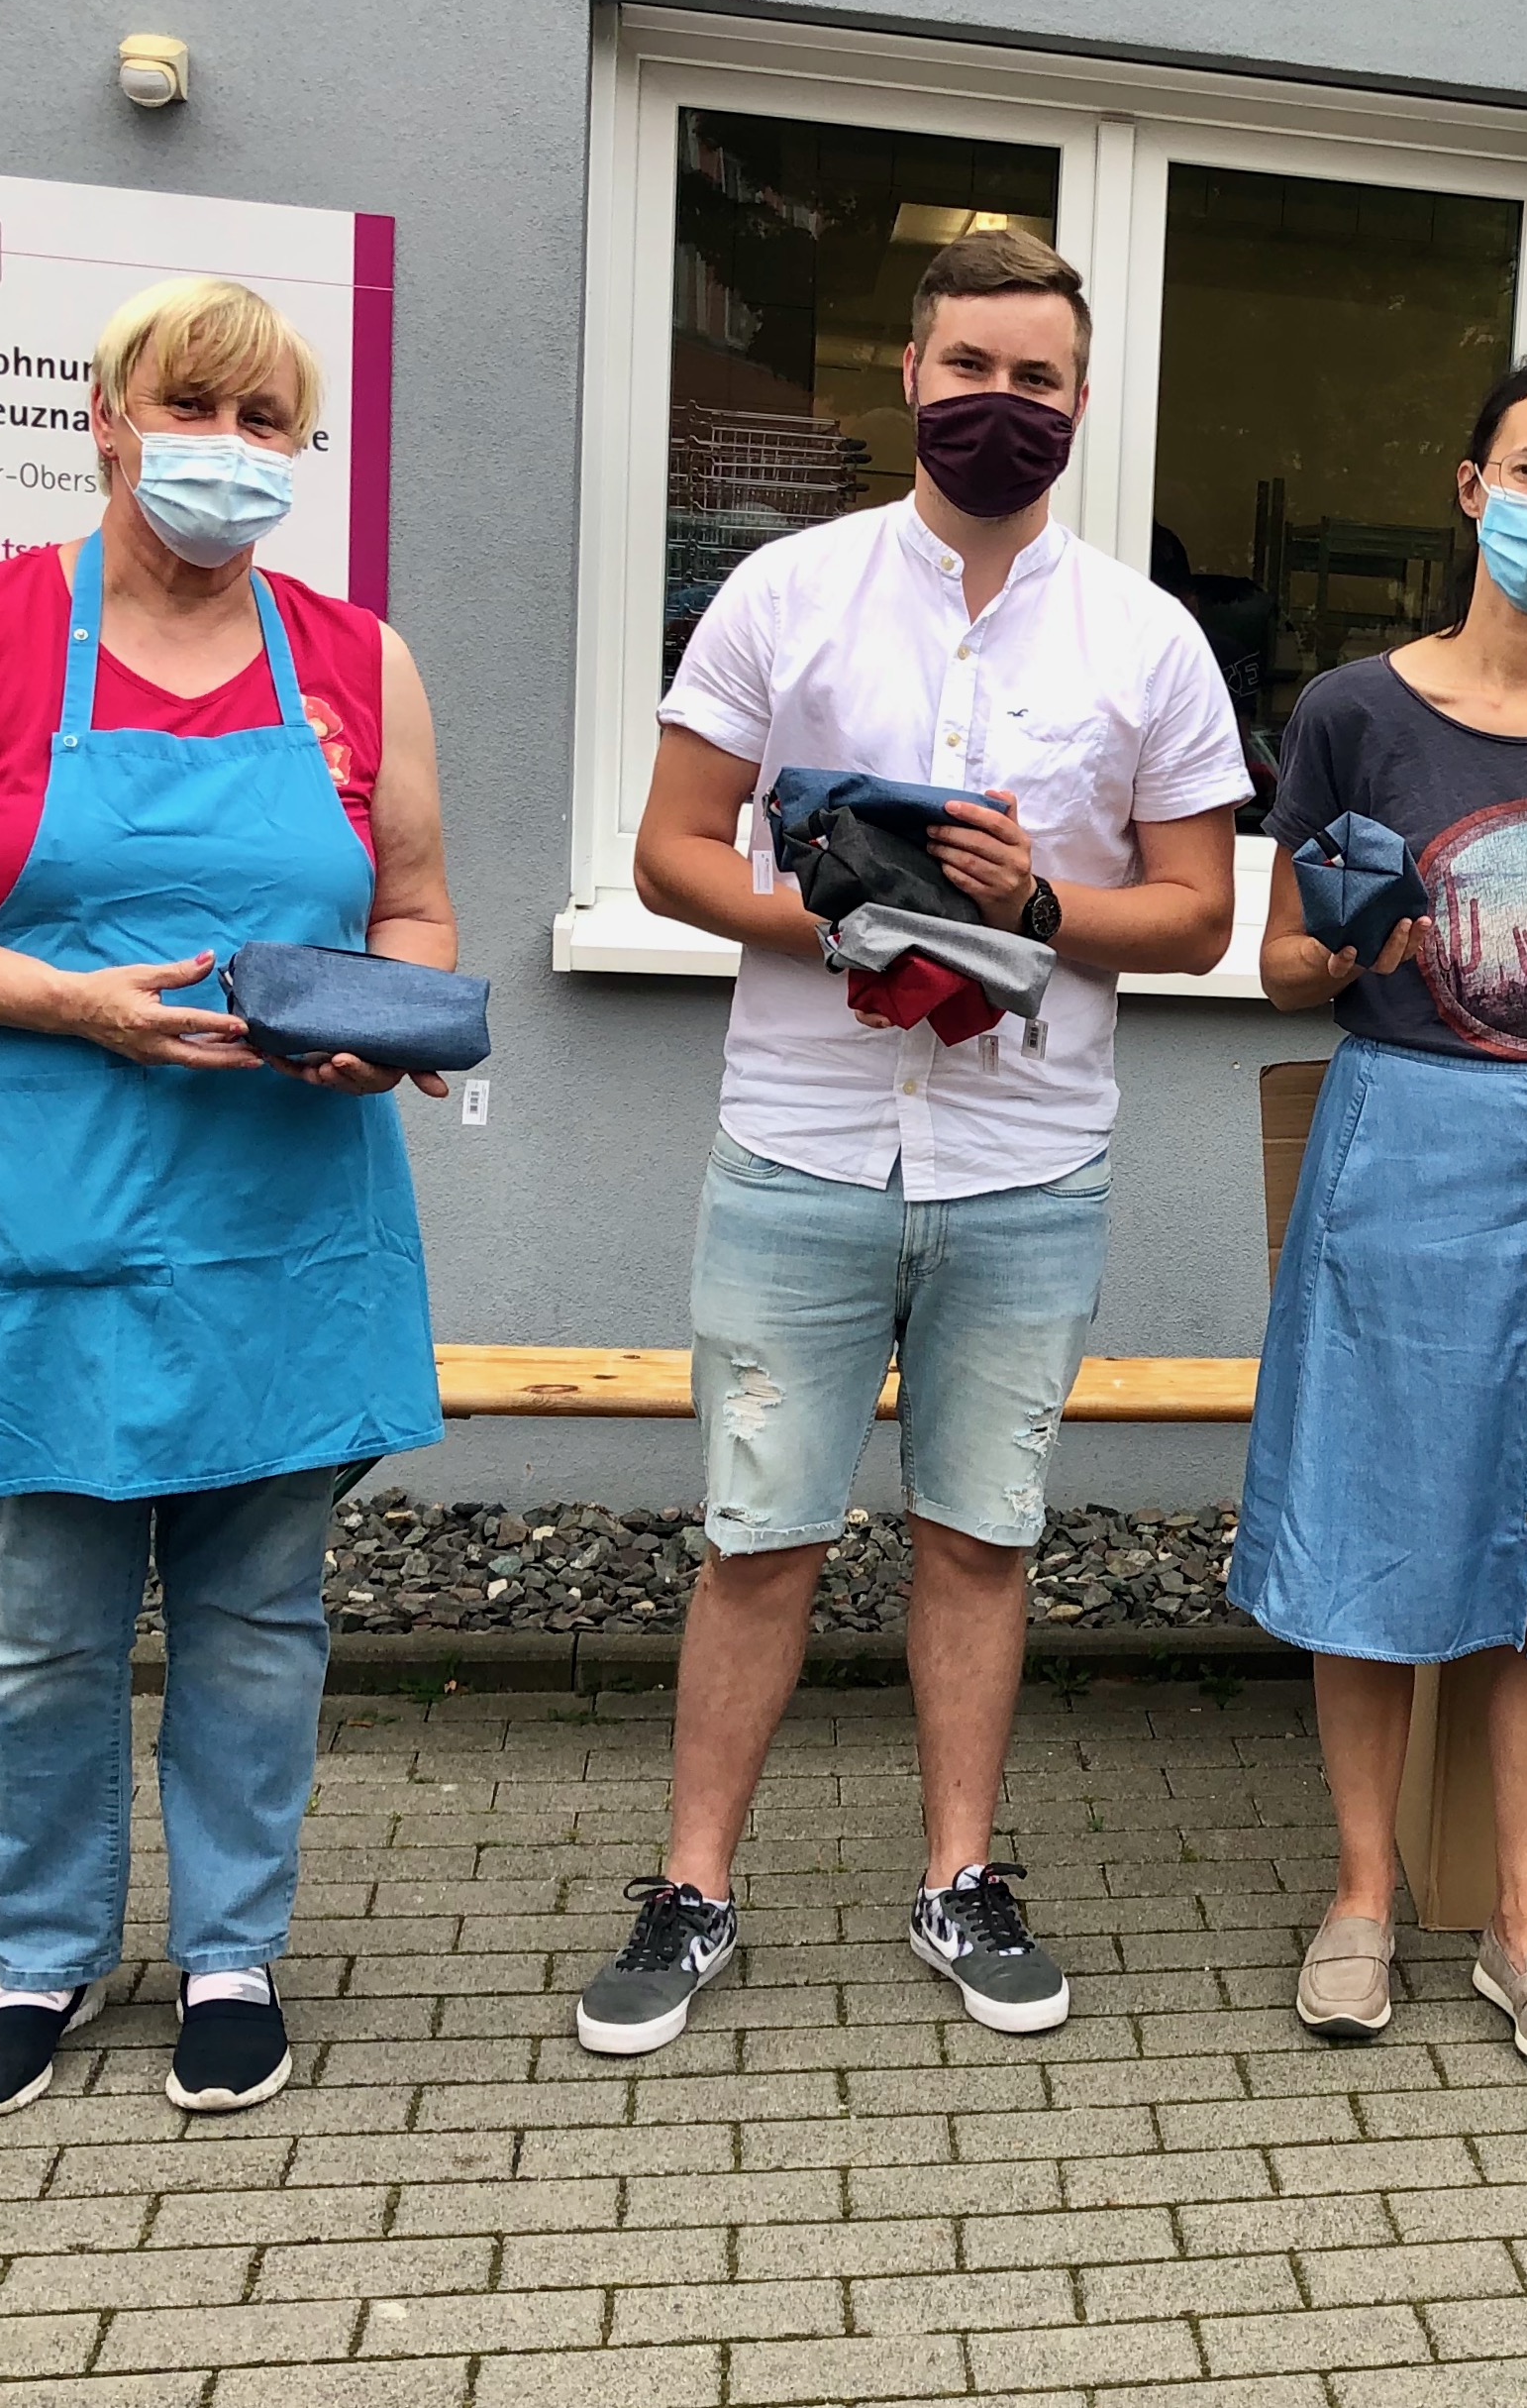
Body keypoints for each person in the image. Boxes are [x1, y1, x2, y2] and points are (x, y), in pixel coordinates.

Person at [571, 229, 1245, 2056]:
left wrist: (1030, 901)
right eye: (971, 369)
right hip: (799, 1144)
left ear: (1082, 403)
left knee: (980, 1534)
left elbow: (1193, 918)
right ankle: (694, 1888)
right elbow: (669, 852)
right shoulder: (784, 592)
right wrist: (840, 922)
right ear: (911, 371)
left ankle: (959, 1876)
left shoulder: (1148, 637)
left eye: (1036, 381)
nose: (999, 406)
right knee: (758, 1534)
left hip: (1028, 1160)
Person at [0, 278, 455, 2121]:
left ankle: (233, 1947)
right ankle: (38, 1952)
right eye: (199, 406)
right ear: (103, 410)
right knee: (36, 1625)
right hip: (45, 1225)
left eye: (271, 424)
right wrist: (69, 998)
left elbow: (412, 905)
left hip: (283, 1220)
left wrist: (379, 1024)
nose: (233, 452)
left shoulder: (355, 660)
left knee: (257, 1617)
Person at [1235, 362, 1527, 2077]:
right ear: (1467, 486)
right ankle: (1363, 1898)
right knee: (1373, 1512)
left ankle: (1525, 1924)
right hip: (1405, 1135)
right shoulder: (1357, 708)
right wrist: (1352, 941)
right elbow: (1283, 964)